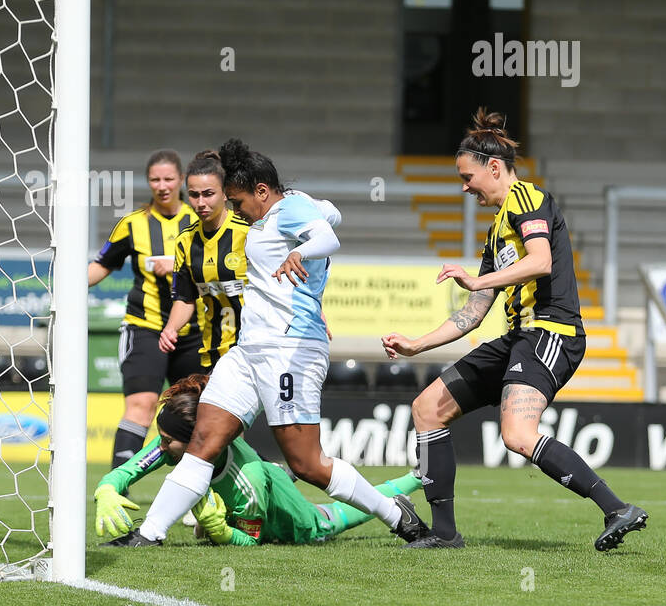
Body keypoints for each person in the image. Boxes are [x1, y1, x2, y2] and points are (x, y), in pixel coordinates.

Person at [107, 139, 427, 546]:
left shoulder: (287, 211)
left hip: (290, 349)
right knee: (204, 439)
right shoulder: (288, 206)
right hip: (249, 350)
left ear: (261, 191)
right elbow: (332, 212)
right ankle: (149, 533)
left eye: (238, 201)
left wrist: (303, 253)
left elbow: (329, 237)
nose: (236, 210)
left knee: (308, 463)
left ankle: (396, 515)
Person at [381, 109, 646, 551]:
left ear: (495, 168)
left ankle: (616, 508)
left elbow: (541, 261)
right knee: (427, 408)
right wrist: (416, 345)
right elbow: (475, 311)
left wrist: (477, 278)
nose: (464, 187)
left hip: (551, 330)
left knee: (518, 436)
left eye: (468, 177)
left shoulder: (527, 198)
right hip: (516, 337)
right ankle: (445, 534)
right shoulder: (496, 232)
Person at [94, 374, 422, 546]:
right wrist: (108, 490)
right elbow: (126, 471)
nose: (161, 448)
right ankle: (414, 480)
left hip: (295, 522)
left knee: (333, 517)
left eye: (167, 441)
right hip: (261, 483)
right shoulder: (172, 443)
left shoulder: (245, 481)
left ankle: (417, 479)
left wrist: (220, 532)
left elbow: (251, 541)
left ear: (196, 440)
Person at [89, 150, 201, 470]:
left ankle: (202, 494)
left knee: (196, 410)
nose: (162, 185)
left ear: (181, 180)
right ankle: (117, 489)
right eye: (155, 179)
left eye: (169, 179)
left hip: (194, 332)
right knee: (142, 403)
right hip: (145, 325)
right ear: (147, 182)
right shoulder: (133, 224)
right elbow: (102, 265)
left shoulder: (199, 220)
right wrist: (66, 286)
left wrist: (178, 265)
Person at [158, 150, 249, 371]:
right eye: (194, 194)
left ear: (225, 193)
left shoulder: (249, 232)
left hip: (254, 350)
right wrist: (170, 329)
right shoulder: (185, 241)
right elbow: (185, 297)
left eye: (208, 194)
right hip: (215, 353)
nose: (200, 202)